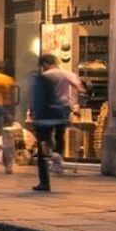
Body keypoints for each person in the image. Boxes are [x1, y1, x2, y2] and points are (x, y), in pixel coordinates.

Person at [26, 53, 72, 192]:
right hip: (61, 111)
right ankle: (57, 155)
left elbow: (37, 99)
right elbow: (80, 86)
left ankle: (44, 182)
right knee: (59, 137)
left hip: (44, 116)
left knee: (42, 149)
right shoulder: (65, 74)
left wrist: (33, 113)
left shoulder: (43, 77)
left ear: (44, 64)